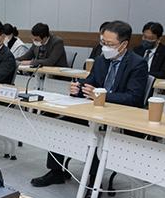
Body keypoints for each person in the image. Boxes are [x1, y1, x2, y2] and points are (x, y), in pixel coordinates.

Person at [31, 21, 148, 189]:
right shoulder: (101, 60)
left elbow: (134, 98)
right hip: (95, 112)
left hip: (119, 117)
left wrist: (101, 96)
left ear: (124, 45)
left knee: (95, 134)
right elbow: (90, 83)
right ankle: (56, 171)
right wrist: (77, 88)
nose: (105, 47)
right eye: (103, 42)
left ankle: (94, 182)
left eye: (110, 44)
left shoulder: (137, 63)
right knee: (60, 123)